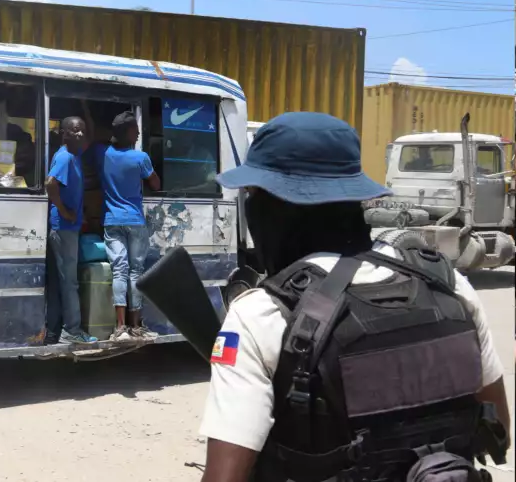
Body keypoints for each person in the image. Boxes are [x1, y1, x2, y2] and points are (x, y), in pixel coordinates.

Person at [199, 112, 510, 482]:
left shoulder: (262, 313)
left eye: (253, 194)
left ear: (275, 206)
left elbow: (224, 477)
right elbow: (497, 430)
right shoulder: (447, 285)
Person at [95, 111, 161, 342]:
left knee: (119, 271)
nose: (139, 132)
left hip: (112, 221)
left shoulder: (102, 154)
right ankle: (136, 326)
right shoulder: (140, 157)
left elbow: (96, 140)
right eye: (135, 129)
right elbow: (155, 182)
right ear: (127, 132)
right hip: (134, 220)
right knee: (135, 271)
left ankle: (120, 327)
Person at [45, 116, 98, 345]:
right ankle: (72, 331)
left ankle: (56, 331)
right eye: (74, 131)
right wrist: (64, 211)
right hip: (64, 228)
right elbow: (50, 184)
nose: (79, 134)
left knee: (62, 281)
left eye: (82, 131)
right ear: (64, 133)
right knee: (70, 283)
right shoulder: (66, 157)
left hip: (69, 228)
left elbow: (91, 138)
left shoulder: (75, 154)